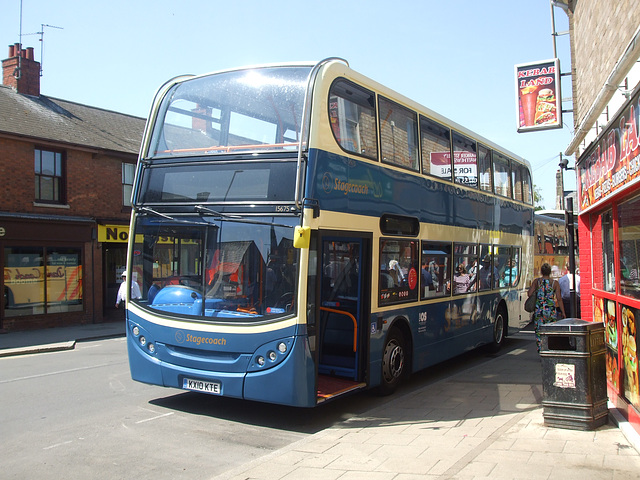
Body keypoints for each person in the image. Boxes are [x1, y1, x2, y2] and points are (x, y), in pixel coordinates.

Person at [528, 263, 566, 352]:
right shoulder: (555, 283)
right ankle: (550, 348)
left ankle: (541, 349)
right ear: (550, 272)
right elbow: (559, 299)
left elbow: (529, 294)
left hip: (539, 311)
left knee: (539, 331)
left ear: (541, 272)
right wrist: (563, 312)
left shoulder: (536, 282)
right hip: (551, 311)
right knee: (550, 330)